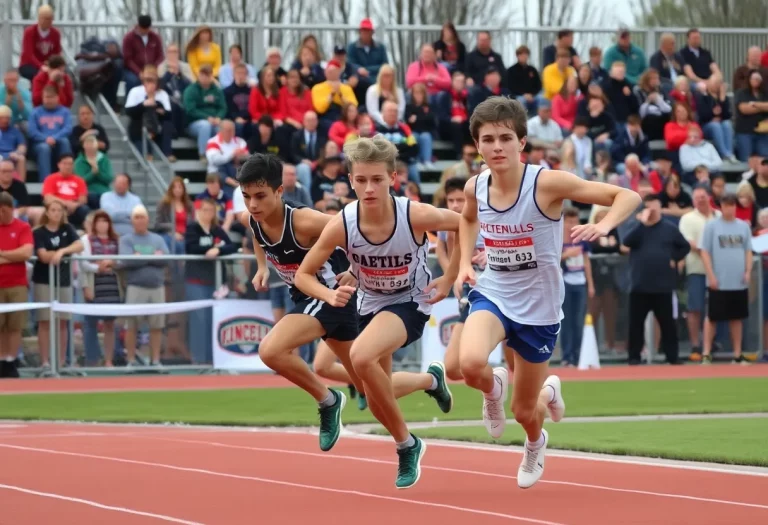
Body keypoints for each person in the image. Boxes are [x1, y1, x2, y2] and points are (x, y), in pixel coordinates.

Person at [455, 96, 641, 489]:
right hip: (495, 292)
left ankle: (536, 439)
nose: (497, 147)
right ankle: (494, 388)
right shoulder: (475, 186)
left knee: (525, 411)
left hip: (539, 308)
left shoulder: (547, 183)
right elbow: (468, 218)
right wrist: (464, 264)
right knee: (471, 365)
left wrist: (605, 226)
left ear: (522, 142)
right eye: (488, 139)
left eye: (506, 138)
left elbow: (629, 196)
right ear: (477, 144)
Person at [238, 152, 453, 455]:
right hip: (312, 298)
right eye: (246, 197)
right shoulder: (254, 219)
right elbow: (258, 236)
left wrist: (355, 270)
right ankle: (431, 380)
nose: (253, 205)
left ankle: (328, 400)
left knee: (270, 350)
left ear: (279, 191)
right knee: (375, 389)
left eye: (260, 196)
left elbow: (353, 229)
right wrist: (262, 266)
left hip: (331, 296)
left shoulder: (305, 220)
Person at [294, 135, 459, 489]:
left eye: (377, 180)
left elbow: (464, 224)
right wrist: (331, 292)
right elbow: (304, 274)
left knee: (361, 356)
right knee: (372, 390)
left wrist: (451, 276)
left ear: (393, 179)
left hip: (409, 302)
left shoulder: (414, 214)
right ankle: (431, 381)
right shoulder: (342, 222)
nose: (369, 189)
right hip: (367, 302)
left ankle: (407, 444)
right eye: (361, 180)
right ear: (350, 180)